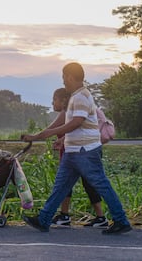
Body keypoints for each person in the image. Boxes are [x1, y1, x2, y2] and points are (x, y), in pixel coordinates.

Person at [21, 62, 132, 235]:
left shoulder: (80, 97)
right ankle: (44, 219)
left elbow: (76, 123)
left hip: (84, 152)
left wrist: (46, 134)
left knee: (101, 185)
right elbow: (81, 125)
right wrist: (63, 139)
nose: (63, 81)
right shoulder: (79, 95)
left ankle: (121, 220)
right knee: (61, 186)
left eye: (64, 77)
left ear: (70, 77)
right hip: (74, 151)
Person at [49, 88, 108, 228]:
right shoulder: (73, 111)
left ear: (63, 100)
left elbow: (51, 129)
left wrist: (34, 137)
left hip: (78, 152)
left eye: (55, 99)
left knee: (68, 183)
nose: (52, 103)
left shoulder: (66, 112)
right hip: (79, 151)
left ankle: (64, 215)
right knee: (83, 183)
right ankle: (99, 217)